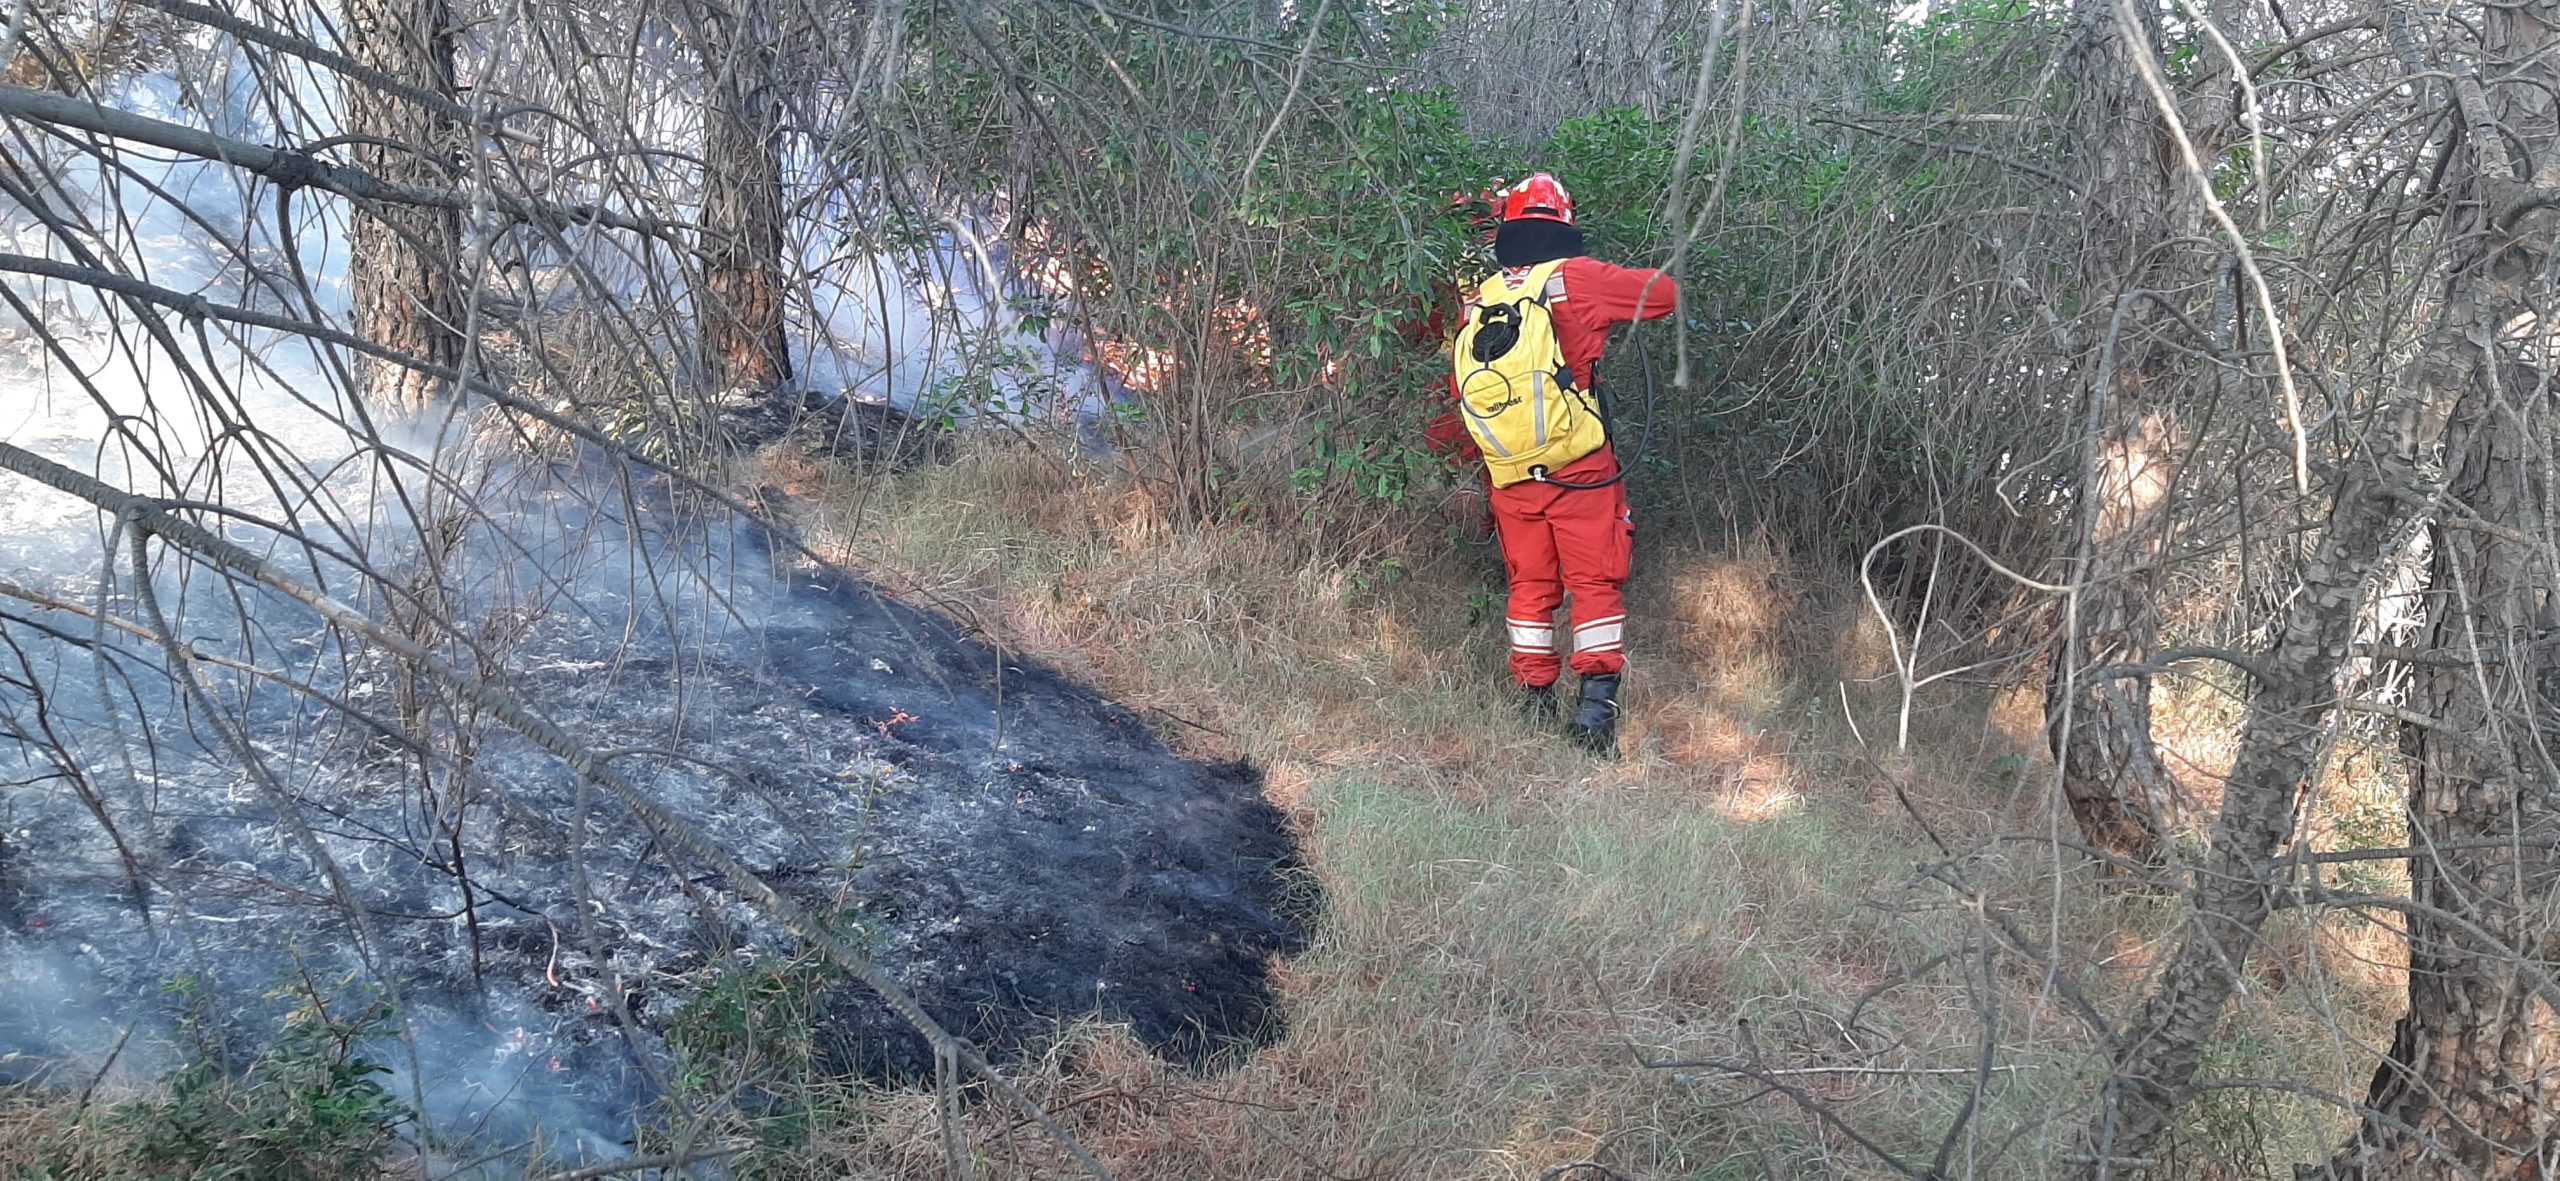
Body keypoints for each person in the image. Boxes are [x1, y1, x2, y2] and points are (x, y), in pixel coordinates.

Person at [1431, 172, 1677, 757]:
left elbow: (1464, 387)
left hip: (1510, 472)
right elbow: (1663, 296)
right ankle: (1594, 715)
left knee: (1530, 583)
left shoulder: (1483, 296)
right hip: (1580, 468)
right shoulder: (1580, 279)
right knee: (1593, 582)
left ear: (1510, 228)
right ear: (1565, 225)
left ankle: (1532, 700)